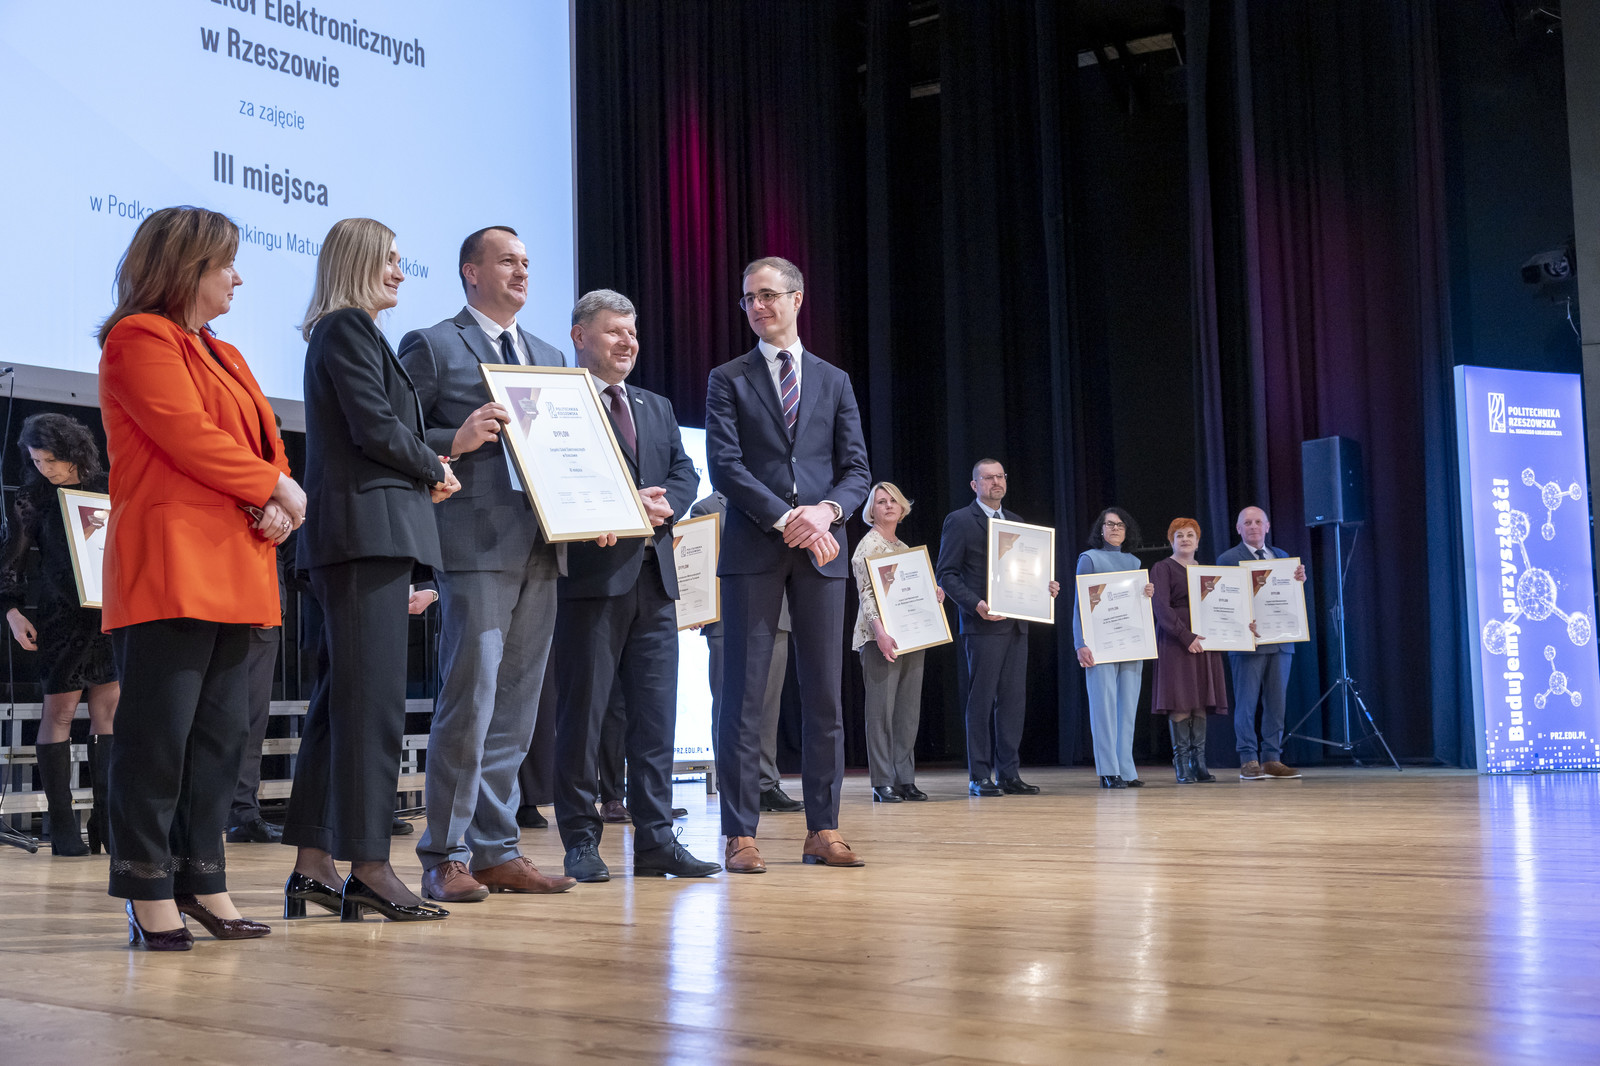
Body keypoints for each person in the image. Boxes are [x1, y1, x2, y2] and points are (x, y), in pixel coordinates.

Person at [98, 205, 300, 949]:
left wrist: (276, 496)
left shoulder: (226, 352)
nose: (237, 278)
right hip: (172, 562)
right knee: (159, 739)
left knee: (220, 739)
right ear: (187, 268)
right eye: (226, 265)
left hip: (239, 559)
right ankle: (147, 888)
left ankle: (204, 880)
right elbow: (188, 435)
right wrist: (274, 489)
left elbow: (266, 444)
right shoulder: (138, 337)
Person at [281, 217, 460, 924]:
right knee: (371, 710)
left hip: (362, 537)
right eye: (388, 259)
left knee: (341, 708)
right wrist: (433, 467)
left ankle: (314, 865)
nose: (399, 272)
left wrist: (426, 466)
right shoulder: (346, 328)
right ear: (357, 262)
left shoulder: (350, 333)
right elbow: (376, 428)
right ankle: (371, 867)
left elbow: (382, 429)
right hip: (361, 537)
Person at [399, 225, 577, 902]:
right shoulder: (433, 344)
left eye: (527, 262)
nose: (522, 272)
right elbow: (397, 435)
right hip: (473, 546)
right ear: (471, 271)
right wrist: (457, 437)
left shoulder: (549, 355)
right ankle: (444, 854)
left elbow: (567, 448)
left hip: (543, 544)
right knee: (470, 700)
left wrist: (603, 505)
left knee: (516, 710)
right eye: (507, 261)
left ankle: (497, 850)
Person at [705, 255, 871, 872]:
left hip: (822, 553)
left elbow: (857, 470)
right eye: (748, 298)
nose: (757, 307)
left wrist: (825, 512)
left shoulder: (834, 380)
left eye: (768, 295)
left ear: (797, 299)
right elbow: (726, 467)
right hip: (754, 547)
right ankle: (739, 833)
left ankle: (823, 829)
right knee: (743, 696)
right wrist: (787, 519)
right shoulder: (728, 378)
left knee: (825, 694)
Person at [551, 290, 719, 881]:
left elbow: (683, 470)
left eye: (633, 332)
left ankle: (655, 841)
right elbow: (557, 474)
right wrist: (627, 503)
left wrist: (666, 503)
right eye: (614, 331)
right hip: (590, 580)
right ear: (580, 336)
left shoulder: (655, 405)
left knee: (655, 719)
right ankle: (580, 840)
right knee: (584, 717)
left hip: (655, 579)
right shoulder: (560, 403)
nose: (628, 342)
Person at [1, 414, 118, 855]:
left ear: (73, 452)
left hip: (108, 612)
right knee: (61, 713)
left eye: (51, 460)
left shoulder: (109, 487)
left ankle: (106, 821)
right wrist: (12, 612)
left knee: (109, 714)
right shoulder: (32, 498)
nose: (45, 468)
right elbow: (11, 561)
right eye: (37, 461)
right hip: (60, 617)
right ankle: (63, 825)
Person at [935, 459, 1060, 797]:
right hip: (982, 625)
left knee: (1012, 702)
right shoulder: (960, 521)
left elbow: (1026, 572)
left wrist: (1044, 587)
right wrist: (976, 604)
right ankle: (979, 775)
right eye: (988, 477)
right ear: (974, 485)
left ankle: (1008, 774)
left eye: (1000, 476)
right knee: (981, 700)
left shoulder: (1017, 523)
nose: (995, 482)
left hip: (1017, 626)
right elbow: (946, 574)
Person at [690, 490, 804, 814]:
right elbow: (697, 562)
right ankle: (731, 783)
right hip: (726, 618)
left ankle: (766, 784)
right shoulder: (705, 508)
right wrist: (695, 605)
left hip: (774, 617)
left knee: (768, 705)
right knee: (729, 705)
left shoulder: (775, 503)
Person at [851, 481, 941, 802]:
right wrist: (880, 633)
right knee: (880, 713)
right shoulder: (868, 546)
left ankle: (905, 778)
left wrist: (933, 594)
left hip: (911, 636)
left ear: (902, 508)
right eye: (881, 501)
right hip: (880, 639)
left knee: (907, 712)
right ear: (871, 510)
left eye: (893, 501)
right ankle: (882, 781)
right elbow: (866, 595)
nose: (888, 505)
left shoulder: (904, 549)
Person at [1216, 506, 1306, 780]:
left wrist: (1299, 581)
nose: (1253, 526)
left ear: (1267, 526)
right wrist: (1242, 621)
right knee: (1246, 704)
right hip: (1248, 643)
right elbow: (1223, 601)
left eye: (1258, 522)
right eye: (1247, 522)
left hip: (1281, 641)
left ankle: (1272, 758)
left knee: (1277, 705)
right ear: (1238, 529)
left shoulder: (1282, 557)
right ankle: (1248, 759)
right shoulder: (1228, 559)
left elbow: (1289, 598)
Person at [1072, 507, 1155, 789]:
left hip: (1131, 643)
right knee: (1104, 707)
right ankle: (1108, 770)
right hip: (1100, 645)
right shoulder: (1089, 559)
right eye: (1110, 524)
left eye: (1120, 525)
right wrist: (1080, 643)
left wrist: (1146, 594)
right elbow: (1080, 605)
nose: (1115, 529)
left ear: (1127, 530)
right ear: (1101, 529)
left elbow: (1135, 605)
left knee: (1127, 707)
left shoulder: (1134, 561)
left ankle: (1126, 770)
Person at [1150, 517, 1229, 783]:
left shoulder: (1206, 571)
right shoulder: (1162, 568)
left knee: (1200, 701)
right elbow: (1161, 608)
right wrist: (1186, 636)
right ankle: (1181, 763)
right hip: (1176, 641)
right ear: (1171, 541)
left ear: (1198, 541)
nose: (1185, 539)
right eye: (1179, 535)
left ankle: (1199, 762)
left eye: (1190, 535)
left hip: (1205, 640)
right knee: (1181, 700)